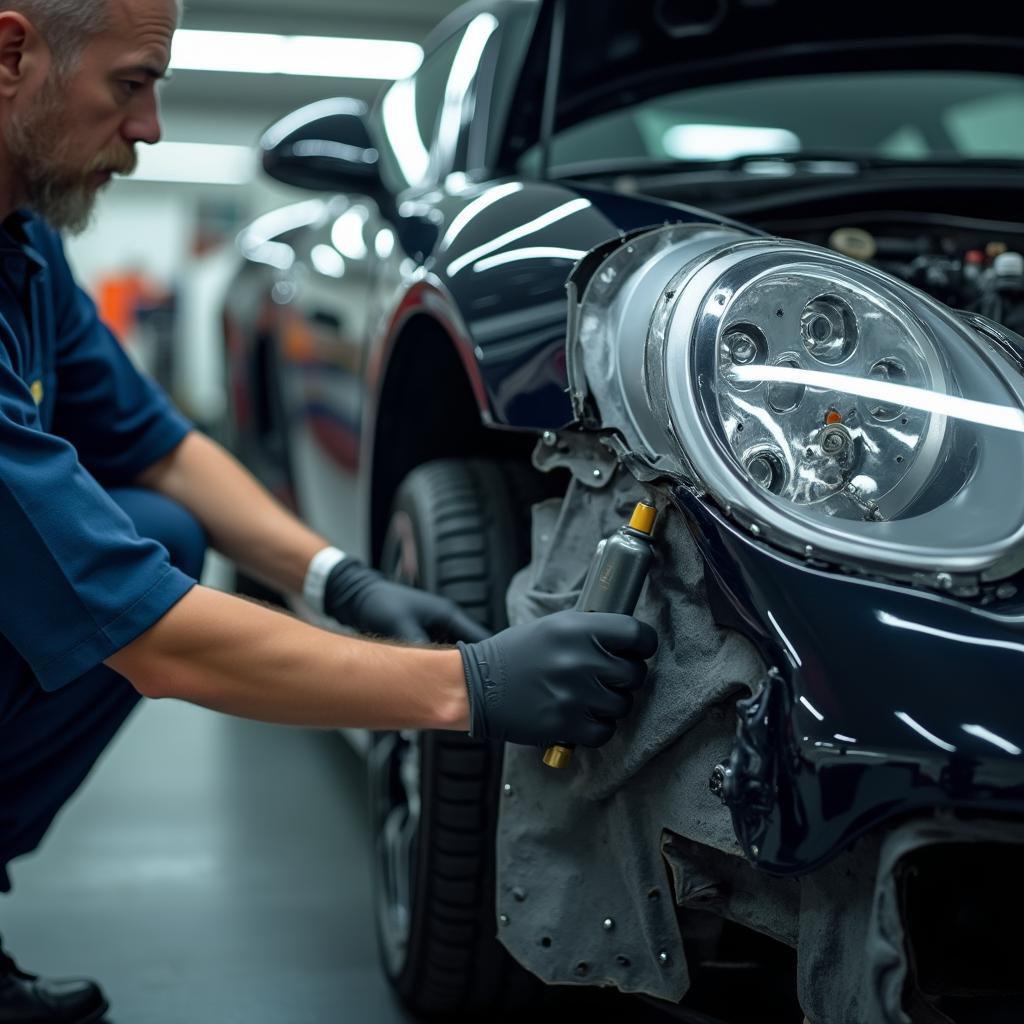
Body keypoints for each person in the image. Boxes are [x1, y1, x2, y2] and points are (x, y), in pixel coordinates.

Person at [0, 1, 658, 1020]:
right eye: (131, 83)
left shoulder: (24, 251)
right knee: (127, 588)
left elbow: (159, 449)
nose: (151, 127)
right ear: (11, 53)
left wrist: (343, 583)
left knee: (165, 533)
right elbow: (148, 637)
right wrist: (466, 687)